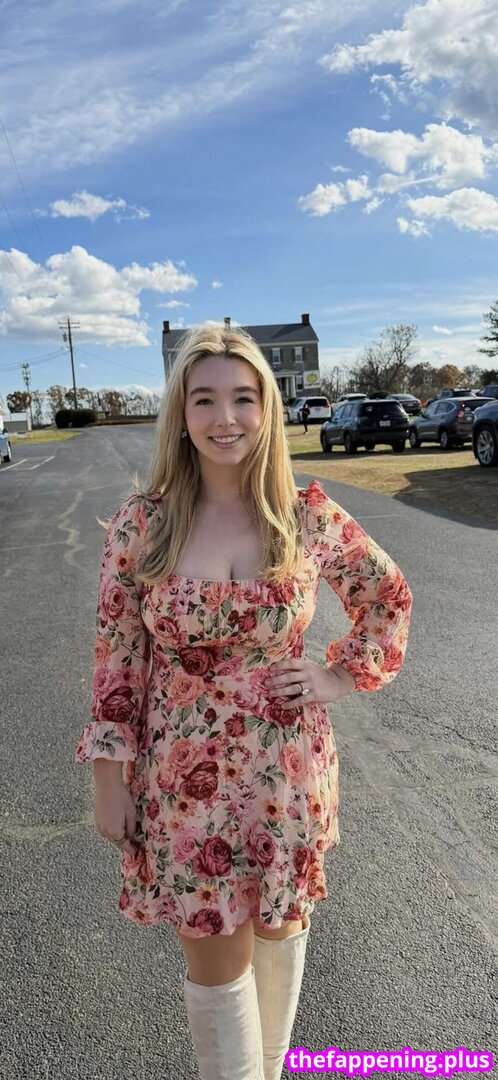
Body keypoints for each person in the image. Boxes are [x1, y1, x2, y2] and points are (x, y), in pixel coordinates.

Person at [75, 322, 413, 1080]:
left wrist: (335, 676)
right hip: (182, 782)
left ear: (266, 409)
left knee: (281, 934)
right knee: (216, 963)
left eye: (242, 398)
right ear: (181, 413)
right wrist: (107, 778)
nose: (224, 417)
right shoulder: (143, 523)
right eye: (204, 399)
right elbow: (117, 658)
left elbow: (386, 597)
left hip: (285, 775)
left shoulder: (305, 515)